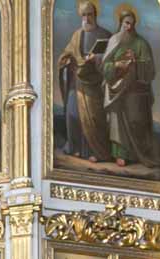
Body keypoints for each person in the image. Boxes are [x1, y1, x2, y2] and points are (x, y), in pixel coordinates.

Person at [101, 5, 160, 170]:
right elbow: (105, 67)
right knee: (117, 123)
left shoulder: (141, 43)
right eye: (126, 23)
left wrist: (135, 63)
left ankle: (137, 154)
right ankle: (120, 154)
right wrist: (117, 65)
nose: (129, 27)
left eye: (132, 24)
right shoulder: (114, 40)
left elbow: (150, 69)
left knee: (136, 122)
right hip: (116, 89)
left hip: (135, 91)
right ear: (121, 23)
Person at [57, 0, 113, 161]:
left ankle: (94, 151)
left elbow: (111, 59)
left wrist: (97, 59)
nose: (87, 18)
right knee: (73, 114)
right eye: (84, 15)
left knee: (95, 118)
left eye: (90, 14)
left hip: (95, 83)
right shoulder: (77, 35)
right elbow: (66, 54)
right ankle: (75, 148)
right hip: (77, 82)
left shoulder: (105, 35)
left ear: (95, 15)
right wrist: (66, 61)